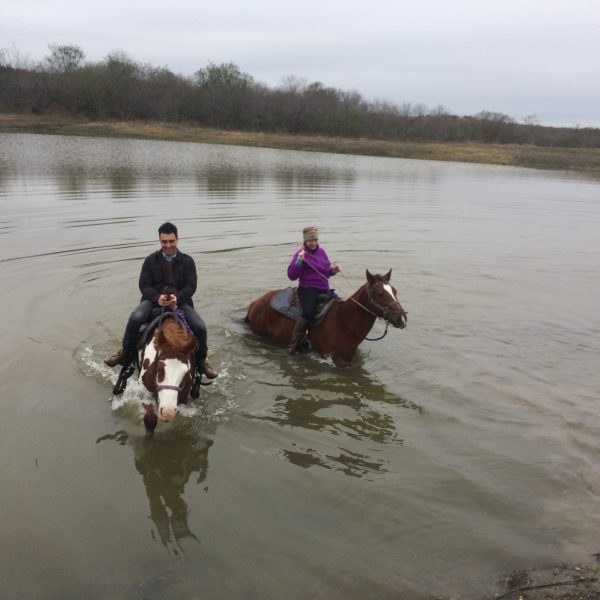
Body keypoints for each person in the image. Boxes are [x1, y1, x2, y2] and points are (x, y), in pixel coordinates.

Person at [104, 222, 218, 379]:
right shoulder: (150, 260)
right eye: (164, 241)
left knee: (200, 327)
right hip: (153, 300)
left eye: (171, 241)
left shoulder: (188, 261)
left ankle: (201, 361)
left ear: (177, 239)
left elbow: (191, 286)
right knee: (136, 317)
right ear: (160, 241)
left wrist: (178, 298)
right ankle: (124, 352)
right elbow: (144, 285)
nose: (168, 245)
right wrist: (157, 298)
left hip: (180, 302)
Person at [286, 226, 340, 354]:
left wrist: (333, 270)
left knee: (339, 306)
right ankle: (294, 343)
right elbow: (291, 276)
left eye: (315, 239)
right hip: (307, 288)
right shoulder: (300, 254)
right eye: (310, 240)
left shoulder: (322, 252)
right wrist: (299, 260)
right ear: (305, 240)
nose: (313, 243)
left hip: (323, 288)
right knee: (308, 312)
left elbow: (326, 272)